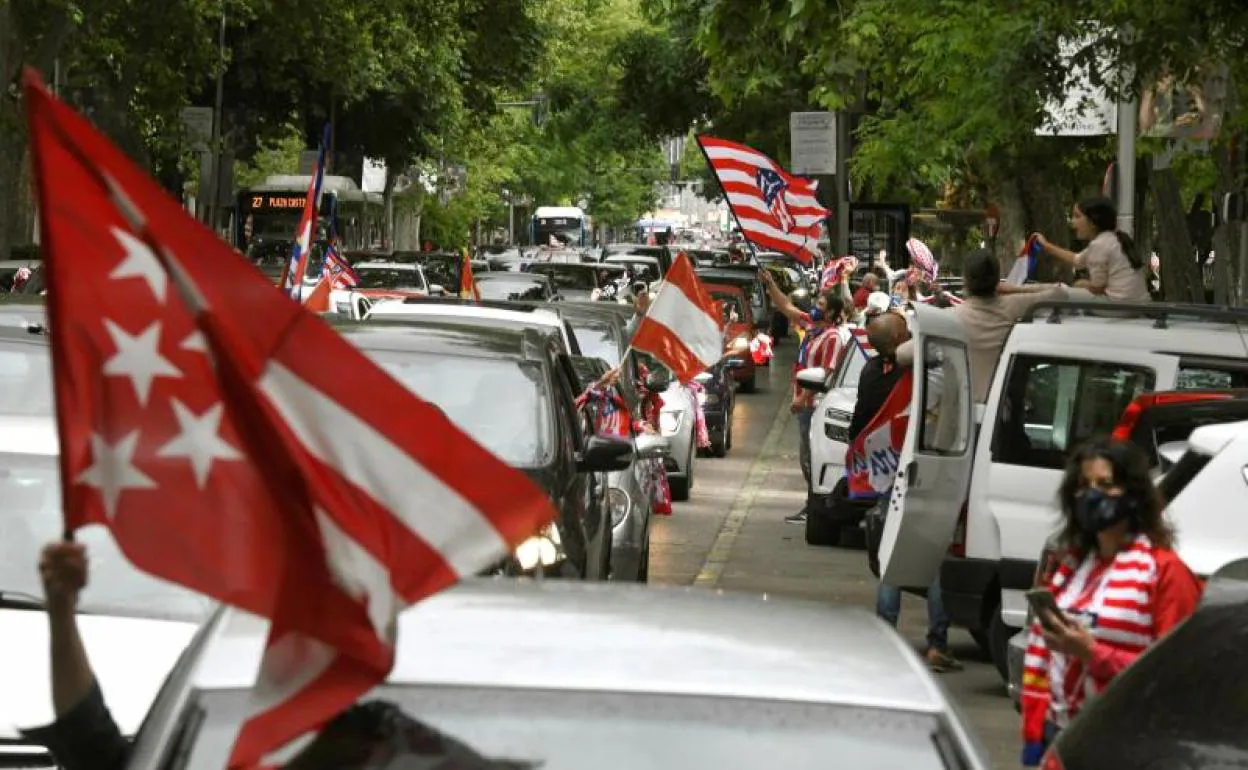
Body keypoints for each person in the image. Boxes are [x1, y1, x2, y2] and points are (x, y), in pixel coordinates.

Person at [1019, 438, 1203, 766]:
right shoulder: (1071, 569)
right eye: (1084, 485)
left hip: (1127, 750)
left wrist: (1093, 654)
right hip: (1061, 744)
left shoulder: (1165, 573)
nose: (1092, 495)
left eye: (1106, 484)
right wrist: (1035, 737)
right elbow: (1044, 660)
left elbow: (1177, 678)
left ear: (1133, 496)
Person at [852, 312, 960, 673]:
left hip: (889, 478)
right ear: (901, 338)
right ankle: (938, 644)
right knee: (933, 562)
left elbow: (859, 427)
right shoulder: (923, 373)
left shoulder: (870, 374)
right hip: (928, 471)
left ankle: (886, 635)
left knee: (892, 559)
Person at [759, 267, 853, 524]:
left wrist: (802, 398)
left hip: (814, 405)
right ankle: (811, 504)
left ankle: (815, 506)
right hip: (804, 404)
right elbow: (786, 307)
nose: (816, 306)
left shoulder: (832, 337)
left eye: (821, 304)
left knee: (811, 456)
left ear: (832, 312)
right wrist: (770, 285)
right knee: (805, 456)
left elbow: (826, 372)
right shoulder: (812, 328)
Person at [956, 249, 1068, 405]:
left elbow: (912, 352)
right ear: (996, 280)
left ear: (966, 281)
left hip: (964, 413)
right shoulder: (1012, 305)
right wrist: (1015, 288)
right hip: (1001, 408)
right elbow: (1060, 293)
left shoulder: (952, 317)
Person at [1032, 196, 1150, 302]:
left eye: (1077, 216)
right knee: (1061, 289)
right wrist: (1046, 245)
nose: (1073, 222)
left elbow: (1097, 288)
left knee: (1059, 293)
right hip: (1137, 303)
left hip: (1118, 306)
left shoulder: (1099, 244)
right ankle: (1017, 289)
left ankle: (1018, 293)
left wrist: (1083, 284)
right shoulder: (1110, 239)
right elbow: (1076, 260)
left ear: (1093, 222)